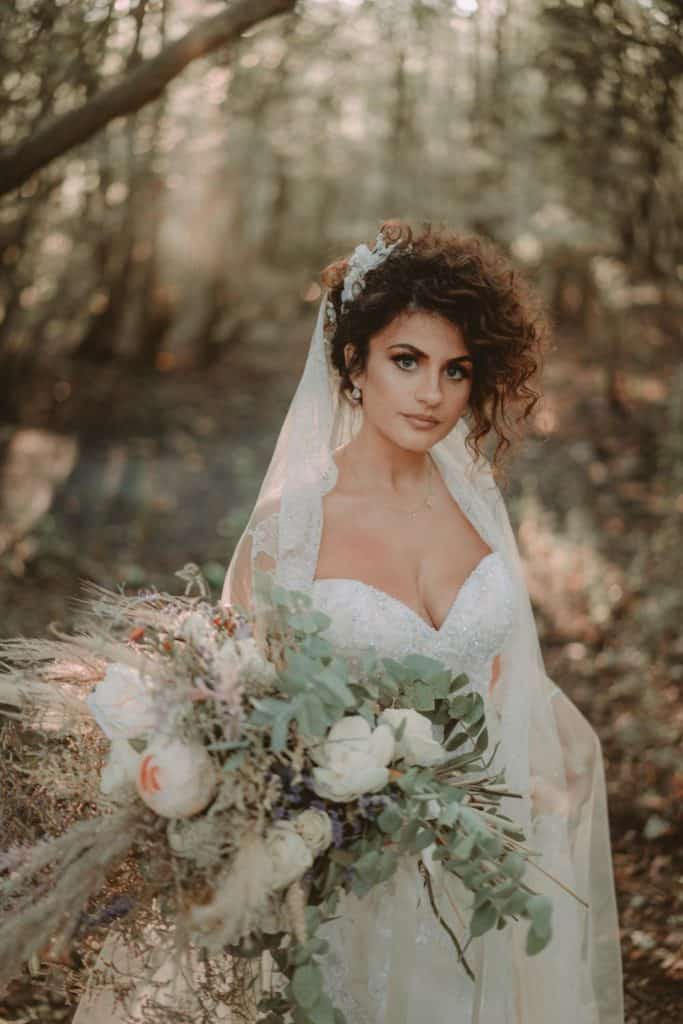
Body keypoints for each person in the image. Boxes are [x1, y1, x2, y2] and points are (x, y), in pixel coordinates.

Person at [221, 220, 624, 1024]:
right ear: (354, 363)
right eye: (405, 360)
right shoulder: (286, 529)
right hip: (345, 883)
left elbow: (505, 674)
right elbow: (236, 712)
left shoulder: (478, 509)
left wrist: (551, 745)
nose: (431, 393)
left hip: (483, 874)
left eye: (455, 370)